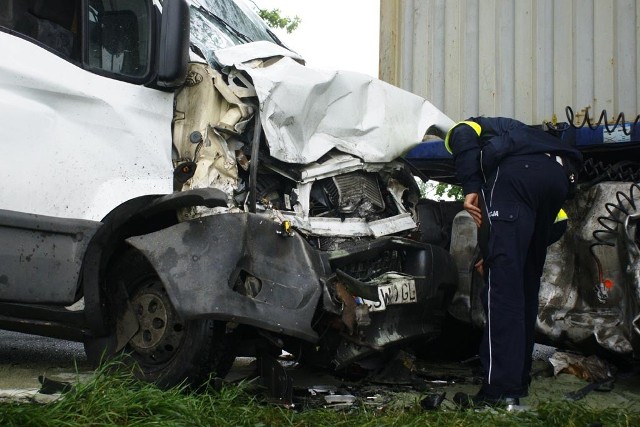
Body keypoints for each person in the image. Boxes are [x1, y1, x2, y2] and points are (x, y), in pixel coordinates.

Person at [444, 117, 582, 407]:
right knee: (524, 288)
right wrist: (503, 254)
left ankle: (498, 392)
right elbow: (557, 225)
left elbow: (460, 134)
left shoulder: (473, 128)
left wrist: (470, 184)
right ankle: (517, 384)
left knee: (501, 291)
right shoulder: (531, 138)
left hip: (516, 178)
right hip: (558, 179)